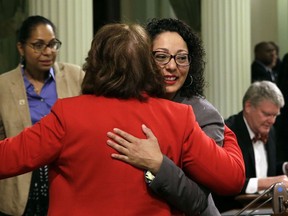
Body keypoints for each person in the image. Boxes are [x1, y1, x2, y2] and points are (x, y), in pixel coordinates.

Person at [0, 23, 245, 216]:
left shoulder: (68, 114)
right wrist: (229, 131)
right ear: (146, 65)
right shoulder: (178, 117)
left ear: (95, 62)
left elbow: (8, 158)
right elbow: (231, 180)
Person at [106, 18, 237, 215]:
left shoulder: (203, 114)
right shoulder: (130, 103)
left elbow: (197, 200)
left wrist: (157, 164)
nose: (172, 66)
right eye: (161, 57)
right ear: (143, 59)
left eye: (181, 58)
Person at [0, 15, 84, 216]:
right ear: (21, 48)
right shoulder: (3, 85)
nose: (48, 52)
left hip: (66, 178)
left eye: (52, 44)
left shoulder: (75, 76)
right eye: (38, 45)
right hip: (20, 185)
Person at [213, 80, 287, 212]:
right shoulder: (227, 132)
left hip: (266, 209)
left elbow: (262, 170)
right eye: (267, 114)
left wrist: (284, 167)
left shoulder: (269, 130)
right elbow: (226, 182)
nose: (272, 121)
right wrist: (268, 183)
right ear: (248, 106)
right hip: (230, 210)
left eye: (275, 115)